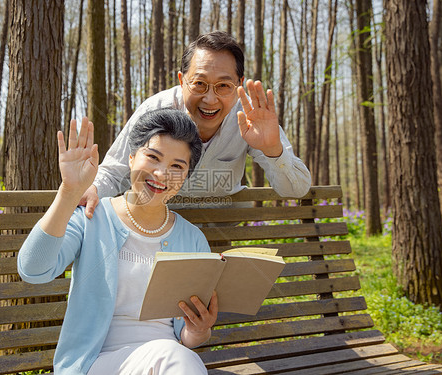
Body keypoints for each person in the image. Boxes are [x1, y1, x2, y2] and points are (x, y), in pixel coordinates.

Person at [17, 109, 217, 375]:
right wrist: (68, 192)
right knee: (173, 357)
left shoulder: (192, 239)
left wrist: (198, 329)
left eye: (177, 166)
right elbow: (33, 270)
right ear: (132, 158)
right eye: (153, 157)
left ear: (185, 177)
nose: (160, 174)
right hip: (94, 364)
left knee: (175, 356)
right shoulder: (92, 218)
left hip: (167, 364)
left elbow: (186, 339)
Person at [80, 31, 311, 219]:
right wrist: (94, 189)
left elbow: (296, 190)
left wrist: (273, 150)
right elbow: (114, 171)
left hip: (220, 235)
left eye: (223, 86)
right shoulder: (156, 110)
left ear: (239, 84)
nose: (210, 99)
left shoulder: (251, 117)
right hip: (156, 230)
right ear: (182, 81)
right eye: (199, 83)